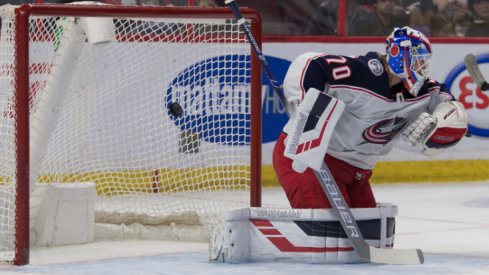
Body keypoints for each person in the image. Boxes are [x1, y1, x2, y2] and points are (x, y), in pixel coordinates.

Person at [273, 26, 468, 209]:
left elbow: (448, 104)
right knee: (327, 238)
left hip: (357, 172)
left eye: (424, 61)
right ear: (397, 54)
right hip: (310, 160)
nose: (421, 67)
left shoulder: (422, 92)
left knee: (373, 234)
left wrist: (448, 120)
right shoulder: (362, 73)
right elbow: (310, 63)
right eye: (417, 59)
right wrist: (303, 108)